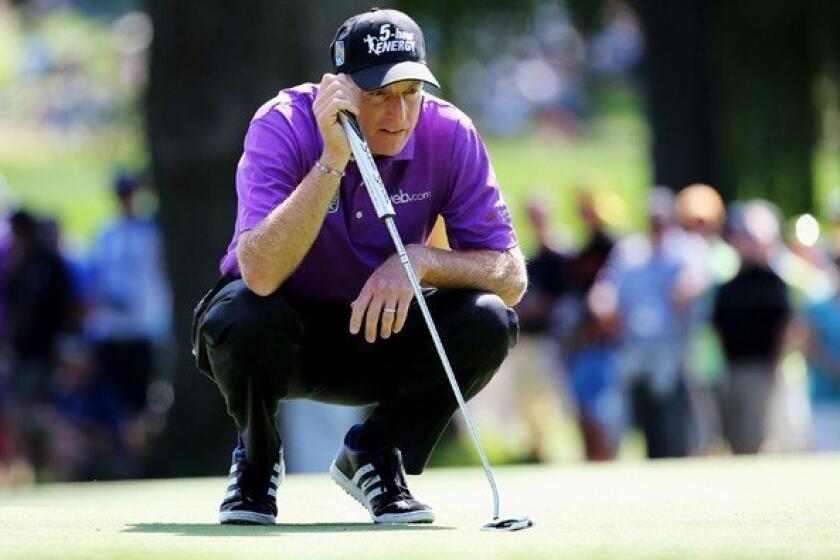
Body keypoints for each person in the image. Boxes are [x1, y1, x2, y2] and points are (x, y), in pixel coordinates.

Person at [191, 8, 526, 525]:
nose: (399, 114)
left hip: (381, 334)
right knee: (242, 315)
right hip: (283, 338)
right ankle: (256, 463)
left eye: (410, 91)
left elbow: (511, 276)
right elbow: (258, 273)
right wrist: (332, 158)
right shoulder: (282, 122)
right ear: (339, 89)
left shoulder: (451, 133)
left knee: (489, 318)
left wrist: (419, 261)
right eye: (378, 95)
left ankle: (374, 451)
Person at [712, 201, 791, 454]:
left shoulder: (774, 283)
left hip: (761, 367)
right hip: (732, 366)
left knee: (757, 433)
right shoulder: (729, 286)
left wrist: (777, 363)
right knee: (732, 433)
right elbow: (717, 326)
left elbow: (785, 326)